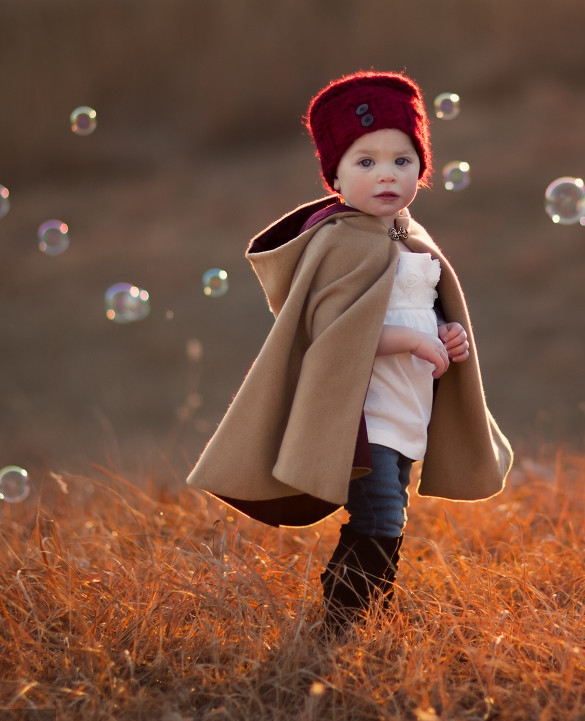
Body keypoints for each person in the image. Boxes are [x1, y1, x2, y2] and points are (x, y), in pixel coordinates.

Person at [186, 71, 512, 636]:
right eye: (366, 162)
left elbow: (421, 307)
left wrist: (447, 333)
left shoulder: (409, 237)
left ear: (421, 169)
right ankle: (346, 617)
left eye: (402, 160)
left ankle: (364, 612)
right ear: (334, 176)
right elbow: (334, 336)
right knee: (379, 510)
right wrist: (412, 340)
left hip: (408, 406)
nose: (387, 174)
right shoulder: (338, 241)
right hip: (361, 416)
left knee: (391, 511)